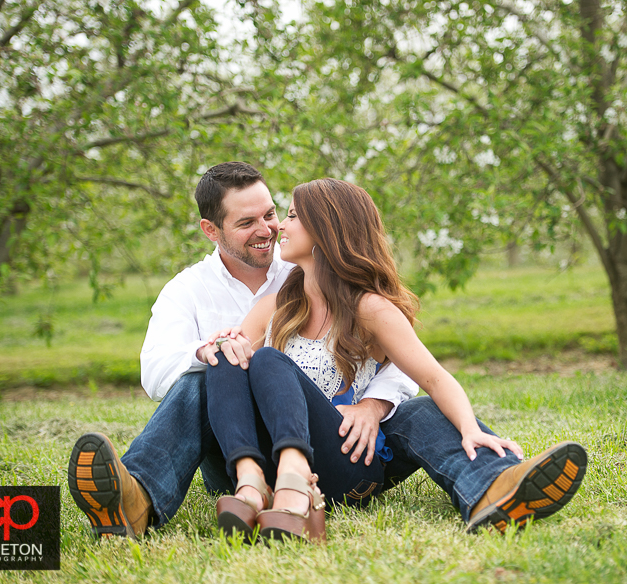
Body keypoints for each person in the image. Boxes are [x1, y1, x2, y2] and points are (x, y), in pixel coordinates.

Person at [199, 178, 587, 543]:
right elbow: (230, 364)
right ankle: (254, 484)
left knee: (419, 412)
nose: (279, 226)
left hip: (341, 467)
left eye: (293, 216)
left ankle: (494, 487)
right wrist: (213, 348)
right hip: (264, 466)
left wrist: (470, 428)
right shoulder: (275, 307)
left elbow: (434, 378)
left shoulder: (370, 309)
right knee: (231, 354)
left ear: (326, 229)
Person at [68, 162, 416, 538]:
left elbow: (403, 354)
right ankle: (136, 497)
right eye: (247, 222)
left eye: (270, 214)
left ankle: (288, 482)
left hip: (312, 443)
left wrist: (373, 405)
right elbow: (154, 372)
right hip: (233, 448)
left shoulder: (303, 267)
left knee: (265, 363)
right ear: (211, 230)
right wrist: (205, 352)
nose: (267, 230)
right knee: (206, 373)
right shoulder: (187, 290)